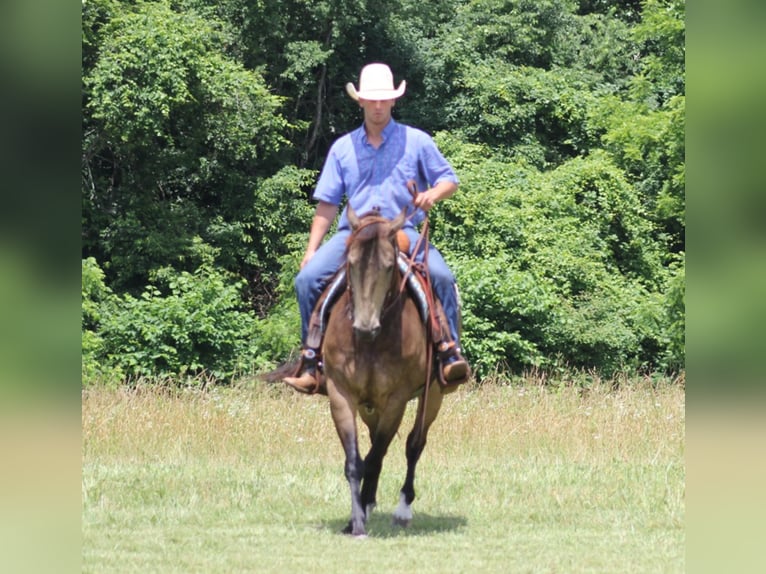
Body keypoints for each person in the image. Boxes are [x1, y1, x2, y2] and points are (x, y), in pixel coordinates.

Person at [283, 62, 469, 393]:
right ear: (361, 101)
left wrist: (431, 195)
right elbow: (327, 203)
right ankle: (311, 362)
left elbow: (449, 180)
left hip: (401, 231)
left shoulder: (417, 141)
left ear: (394, 101)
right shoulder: (342, 148)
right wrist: (311, 250)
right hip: (352, 235)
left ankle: (449, 353)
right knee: (307, 280)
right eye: (372, 99)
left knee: (441, 275)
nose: (379, 105)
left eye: (385, 99)